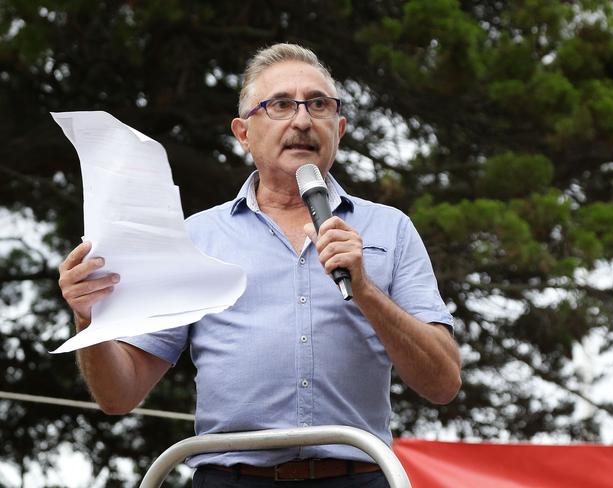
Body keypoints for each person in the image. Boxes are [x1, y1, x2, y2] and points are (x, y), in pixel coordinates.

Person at [58, 43, 461, 487]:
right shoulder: (197, 237)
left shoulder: (391, 229)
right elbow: (120, 394)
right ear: (243, 132)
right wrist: (88, 318)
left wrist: (364, 290)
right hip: (231, 477)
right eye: (281, 105)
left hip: (357, 475)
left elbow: (442, 383)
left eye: (319, 105)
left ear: (340, 128)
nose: (303, 120)